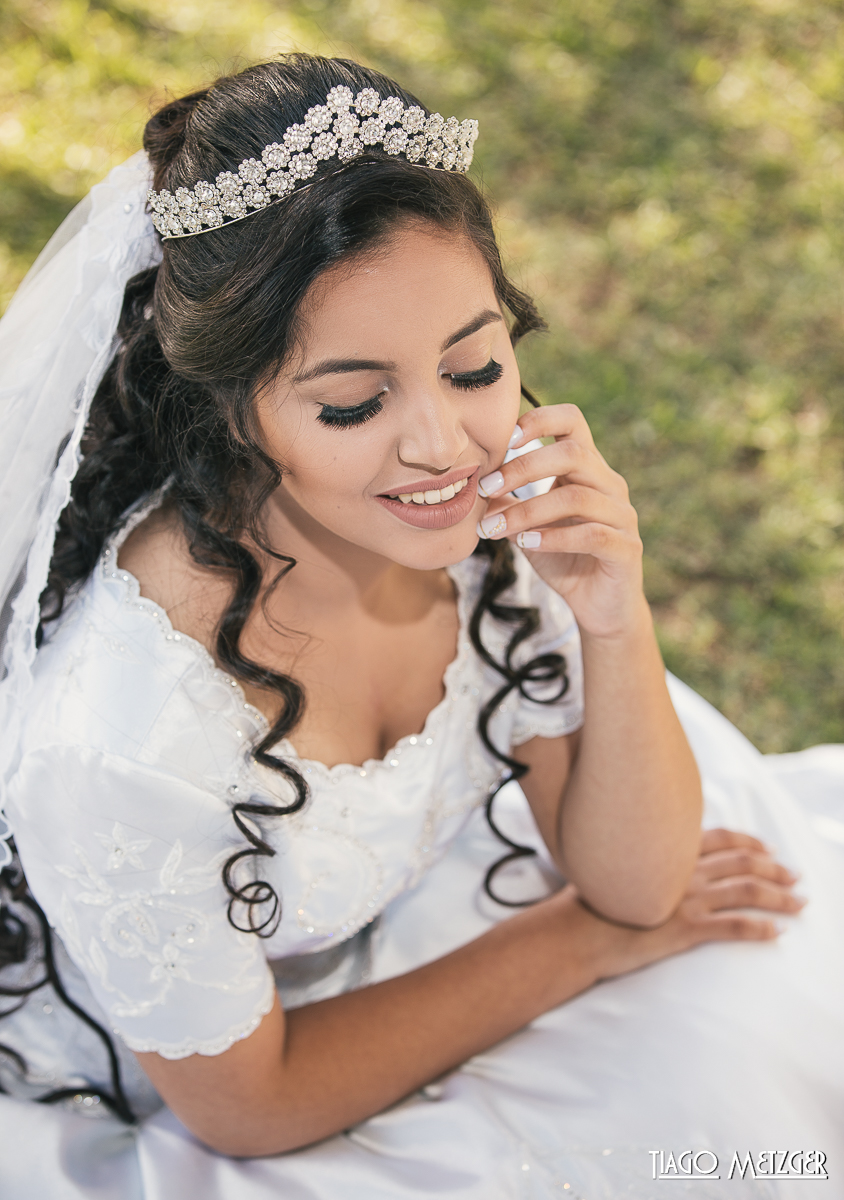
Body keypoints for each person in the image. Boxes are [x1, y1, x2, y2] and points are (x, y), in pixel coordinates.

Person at [0, 53, 842, 1200]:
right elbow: (253, 1107)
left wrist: (610, 612)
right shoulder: (124, 742)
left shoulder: (485, 521)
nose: (443, 445)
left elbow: (639, 883)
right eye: (353, 401)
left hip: (394, 958)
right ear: (234, 409)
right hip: (184, 1079)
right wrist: (576, 941)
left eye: (474, 363)